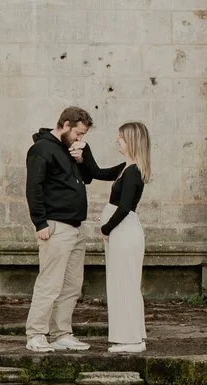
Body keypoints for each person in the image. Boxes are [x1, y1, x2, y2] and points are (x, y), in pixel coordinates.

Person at [25, 106, 118, 353]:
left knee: (72, 286)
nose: (80, 139)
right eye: (78, 133)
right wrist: (40, 223)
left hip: (75, 228)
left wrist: (80, 159)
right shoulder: (41, 149)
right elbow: (33, 187)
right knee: (50, 284)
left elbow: (89, 177)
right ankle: (36, 334)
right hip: (55, 227)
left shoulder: (70, 150)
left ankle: (61, 333)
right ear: (65, 125)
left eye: (83, 134)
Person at [97, 122, 151, 355]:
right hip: (122, 231)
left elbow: (125, 207)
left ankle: (131, 340)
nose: (116, 141)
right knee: (123, 284)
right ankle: (133, 336)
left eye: (120, 138)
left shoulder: (133, 172)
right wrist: (83, 149)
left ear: (131, 141)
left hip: (124, 231)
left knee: (125, 284)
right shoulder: (125, 167)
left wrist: (106, 228)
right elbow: (97, 172)